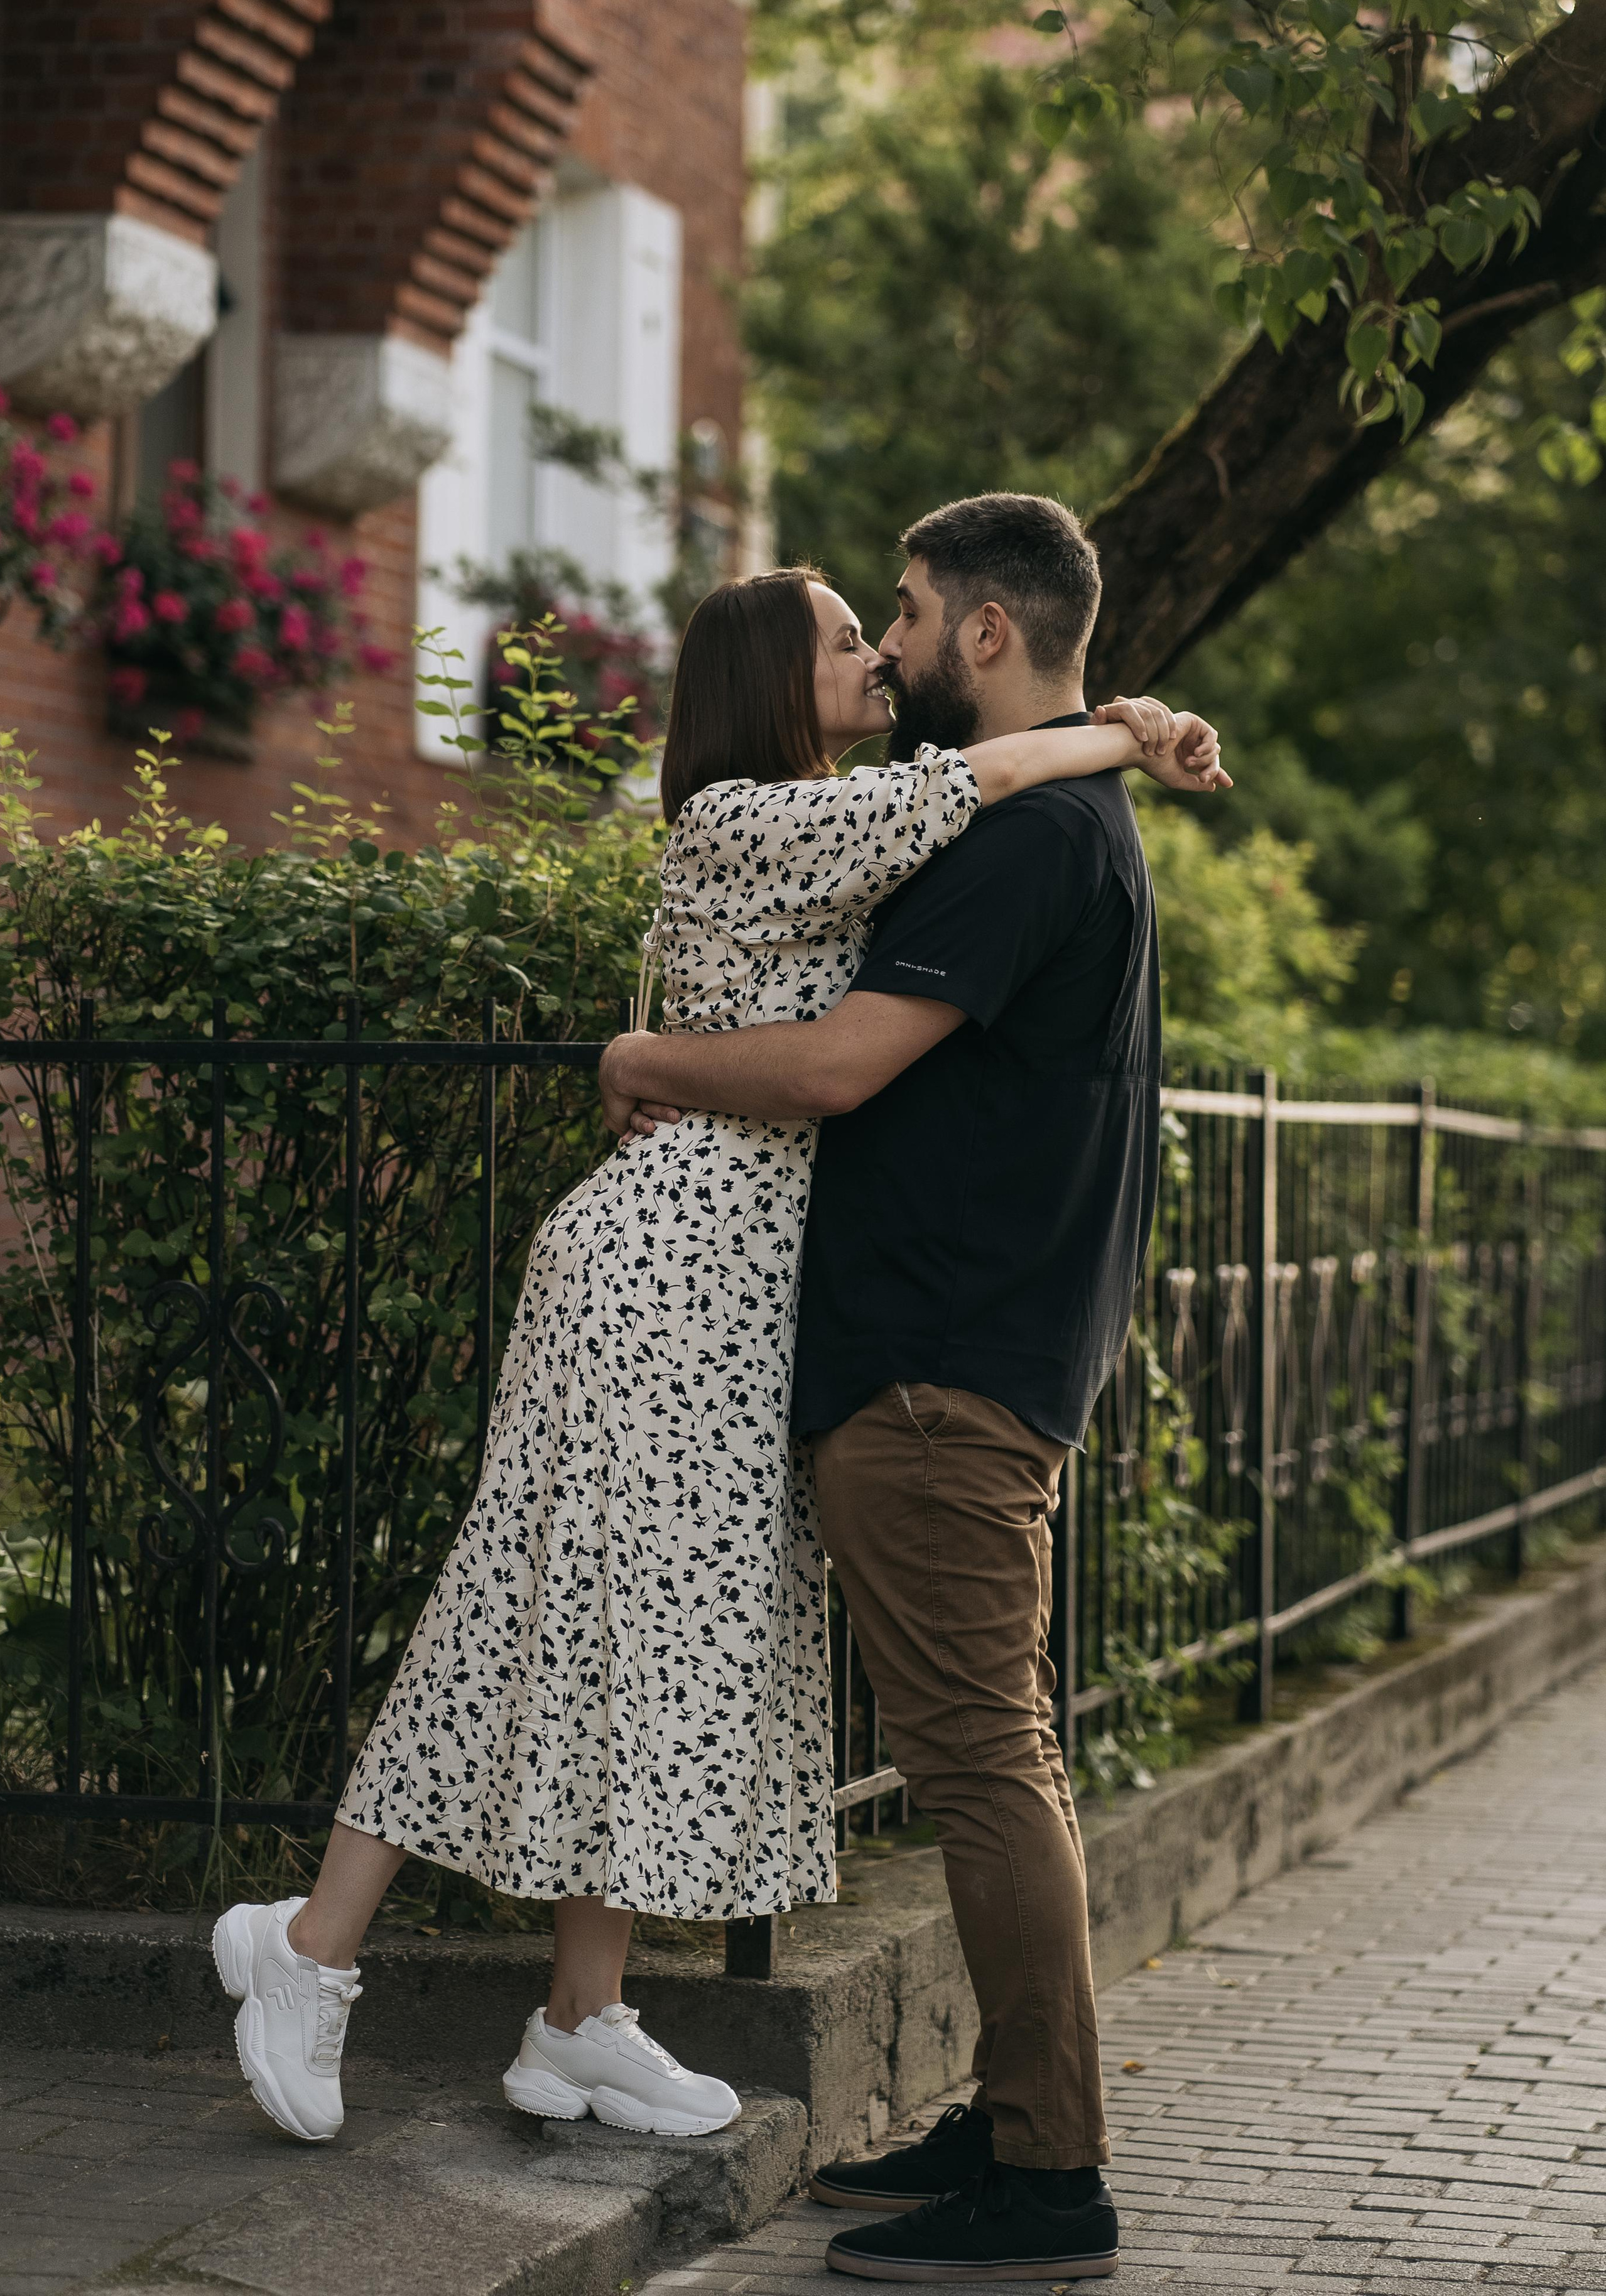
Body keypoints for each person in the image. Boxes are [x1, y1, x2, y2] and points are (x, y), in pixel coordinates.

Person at [210, 555, 1225, 2158]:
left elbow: (977, 788)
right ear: (769, 680)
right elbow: (977, 777)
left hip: (736, 1294)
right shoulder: (750, 818)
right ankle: (311, 1943)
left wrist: (1129, 719)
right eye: (847, 638)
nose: (877, 656)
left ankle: (579, 2017)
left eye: (888, 626)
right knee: (528, 1603)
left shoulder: (843, 817)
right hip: (664, 1275)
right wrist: (1127, 730)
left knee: (646, 1637)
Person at [601, 494, 1186, 2282]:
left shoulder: (1032, 837)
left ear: (988, 632)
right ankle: (1014, 2118)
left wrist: (648, 1055)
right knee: (990, 1753)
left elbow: (840, 1066)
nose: (897, 642)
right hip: (971, 1355)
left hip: (941, 1372)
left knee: (984, 1762)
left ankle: (1049, 2180)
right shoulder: (1063, 810)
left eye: (913, 613)